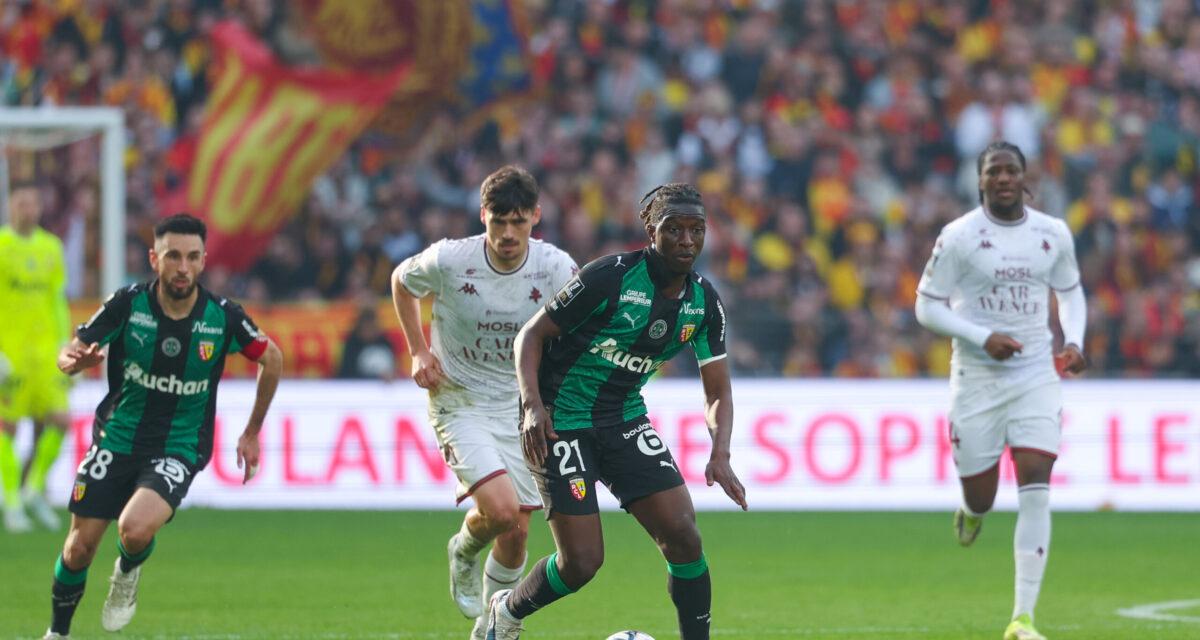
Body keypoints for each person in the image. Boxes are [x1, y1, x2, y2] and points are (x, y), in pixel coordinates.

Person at [487, 183, 748, 640]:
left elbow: (718, 391)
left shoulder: (704, 303)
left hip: (624, 418)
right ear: (652, 231)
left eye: (697, 230)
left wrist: (720, 453)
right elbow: (530, 335)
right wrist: (531, 407)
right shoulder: (611, 277)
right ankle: (507, 610)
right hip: (559, 421)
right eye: (674, 229)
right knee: (581, 563)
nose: (687, 240)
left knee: (684, 536)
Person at [42, 213, 283, 639]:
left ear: (204, 260)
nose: (183, 267)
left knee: (134, 529)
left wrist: (252, 431)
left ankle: (127, 570)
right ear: (155, 259)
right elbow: (71, 350)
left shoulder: (222, 317)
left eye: (192, 257)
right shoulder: (127, 303)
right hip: (116, 438)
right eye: (173, 256)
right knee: (78, 548)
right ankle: (57, 633)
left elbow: (272, 357)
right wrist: (73, 363)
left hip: (179, 445)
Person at [391, 165, 577, 638]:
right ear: (482, 216)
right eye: (499, 221)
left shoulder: (555, 267)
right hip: (460, 399)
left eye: (518, 221)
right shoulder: (451, 260)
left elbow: (581, 325)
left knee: (517, 534)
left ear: (536, 217)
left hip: (522, 408)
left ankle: (489, 629)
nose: (508, 233)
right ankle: (464, 549)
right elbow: (401, 281)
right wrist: (418, 350)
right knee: (501, 511)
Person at [914, 141, 1087, 640]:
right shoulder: (960, 237)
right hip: (977, 379)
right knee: (983, 496)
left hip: (1036, 374)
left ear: (1025, 177)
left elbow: (1070, 293)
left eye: (1012, 170)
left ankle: (1022, 618)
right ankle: (972, 511)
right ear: (981, 180)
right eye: (995, 171)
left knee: (1036, 484)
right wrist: (981, 336)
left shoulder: (1052, 234)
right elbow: (927, 306)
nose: (1004, 178)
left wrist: (1074, 341)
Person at [0, 179, 72, 533]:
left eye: (32, 204)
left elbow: (57, 300)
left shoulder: (51, 247)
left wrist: (66, 344)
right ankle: (12, 502)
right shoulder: (1, 245)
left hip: (46, 353)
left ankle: (33, 489)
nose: (27, 210)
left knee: (61, 420)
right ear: (10, 206)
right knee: (7, 427)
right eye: (21, 203)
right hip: (10, 353)